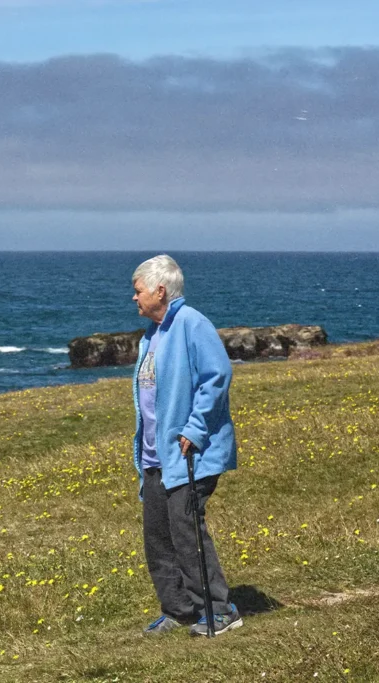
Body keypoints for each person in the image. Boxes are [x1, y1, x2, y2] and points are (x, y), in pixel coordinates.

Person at [130, 254, 242, 636]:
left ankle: (219, 610)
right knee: (158, 535)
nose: (134, 298)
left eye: (138, 290)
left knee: (187, 531)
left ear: (160, 290)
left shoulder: (191, 323)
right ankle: (179, 608)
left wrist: (194, 430)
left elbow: (217, 376)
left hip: (189, 453)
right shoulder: (152, 334)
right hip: (156, 456)